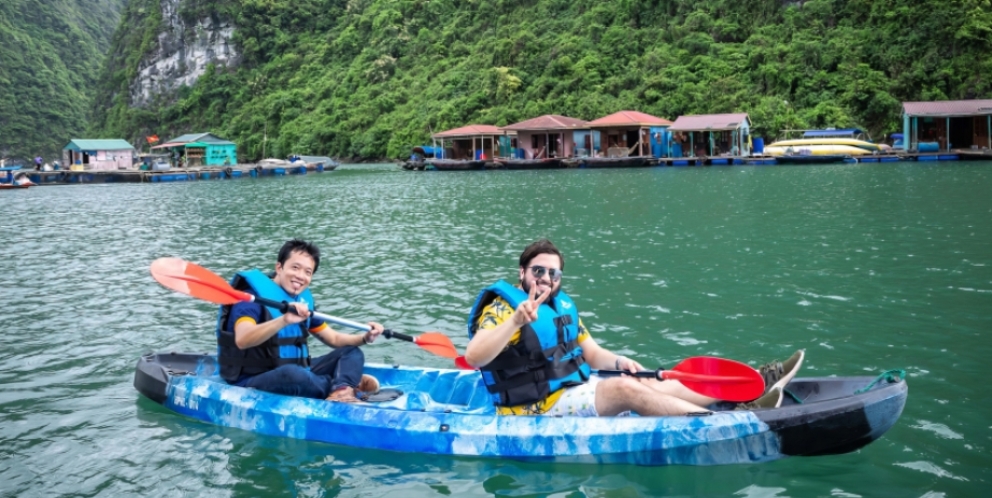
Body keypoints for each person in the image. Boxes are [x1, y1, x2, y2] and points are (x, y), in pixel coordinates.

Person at [464, 239, 804, 417]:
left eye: (554, 274)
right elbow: (476, 356)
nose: (546, 279)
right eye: (538, 271)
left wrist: (619, 362)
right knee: (625, 392)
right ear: (522, 271)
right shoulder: (503, 308)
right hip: (531, 410)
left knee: (652, 385)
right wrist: (516, 321)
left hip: (571, 390)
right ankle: (730, 419)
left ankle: (753, 386)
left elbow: (591, 351)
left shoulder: (560, 305)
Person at [218, 239, 385, 402]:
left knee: (351, 352)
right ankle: (344, 385)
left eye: (308, 272)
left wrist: (365, 337)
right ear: (279, 267)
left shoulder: (302, 300)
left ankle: (342, 388)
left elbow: (333, 338)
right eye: (295, 268)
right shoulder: (252, 300)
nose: (300, 276)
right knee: (292, 375)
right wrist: (283, 320)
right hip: (254, 378)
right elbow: (242, 339)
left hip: (298, 369)